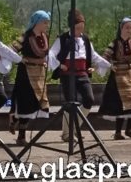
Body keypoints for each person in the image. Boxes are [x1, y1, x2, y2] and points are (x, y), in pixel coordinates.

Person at [47, 8, 111, 142]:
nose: (80, 30)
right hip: (68, 75)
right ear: (71, 26)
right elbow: (51, 54)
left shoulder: (85, 40)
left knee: (89, 100)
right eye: (77, 28)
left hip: (82, 74)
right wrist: (59, 65)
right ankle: (66, 134)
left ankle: (75, 129)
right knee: (70, 103)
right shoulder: (63, 39)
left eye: (82, 27)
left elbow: (94, 56)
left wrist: (107, 65)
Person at [9, 10, 51, 145]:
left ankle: (14, 119)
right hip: (26, 74)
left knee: (36, 103)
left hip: (39, 74)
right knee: (26, 103)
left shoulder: (45, 36)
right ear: (37, 22)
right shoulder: (25, 37)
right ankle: (21, 136)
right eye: (45, 22)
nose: (46, 25)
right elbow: (11, 50)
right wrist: (21, 59)